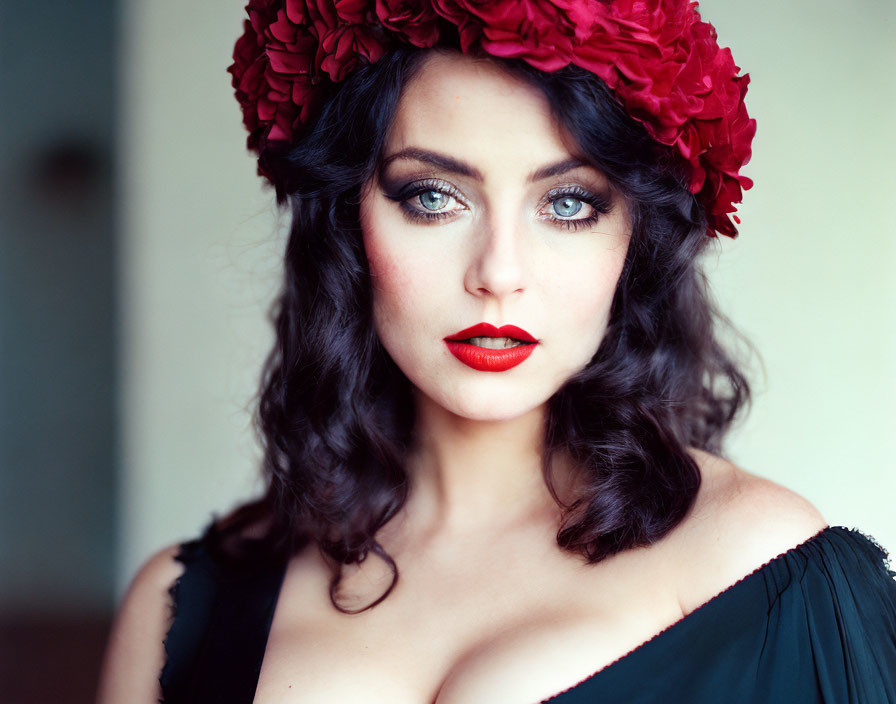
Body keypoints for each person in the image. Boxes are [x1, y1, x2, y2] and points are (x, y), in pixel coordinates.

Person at [97, 1, 896, 702]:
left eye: (570, 202)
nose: (499, 274)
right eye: (433, 197)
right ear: (348, 223)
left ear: (634, 241)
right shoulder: (181, 602)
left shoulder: (760, 567)